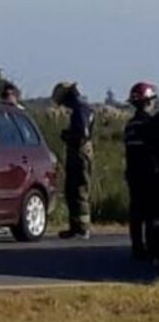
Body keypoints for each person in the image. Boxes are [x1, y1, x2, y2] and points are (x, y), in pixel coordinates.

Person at [52, 82, 95, 240]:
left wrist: (68, 136)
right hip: (76, 150)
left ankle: (83, 227)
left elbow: (82, 133)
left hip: (80, 151)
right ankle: (75, 226)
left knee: (80, 189)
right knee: (71, 189)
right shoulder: (80, 108)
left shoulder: (80, 109)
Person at [124, 82, 158, 260]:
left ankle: (137, 248)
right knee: (151, 214)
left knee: (136, 213)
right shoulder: (149, 125)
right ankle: (152, 250)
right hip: (148, 174)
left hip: (133, 174)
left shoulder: (130, 125)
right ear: (147, 102)